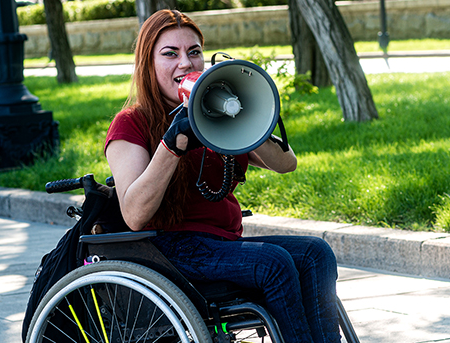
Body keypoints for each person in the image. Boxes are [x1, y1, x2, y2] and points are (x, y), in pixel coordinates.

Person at [104, 9, 341, 343]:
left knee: (316, 253)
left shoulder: (213, 112)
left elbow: (287, 163)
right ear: (149, 64)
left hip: (222, 244)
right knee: (273, 264)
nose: (185, 63)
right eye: (170, 54)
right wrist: (172, 144)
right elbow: (135, 214)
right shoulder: (131, 123)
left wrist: (251, 117)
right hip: (168, 249)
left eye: (194, 52)